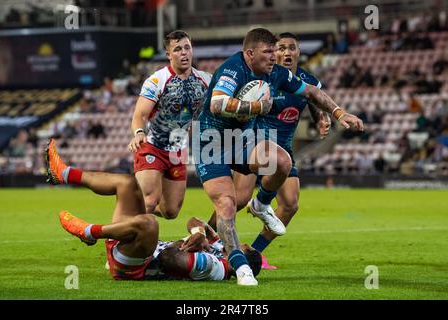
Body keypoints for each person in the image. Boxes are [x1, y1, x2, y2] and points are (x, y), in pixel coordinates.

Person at [195, 28, 363, 286]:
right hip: (212, 141)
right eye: (269, 51)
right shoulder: (233, 68)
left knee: (282, 162)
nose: (275, 56)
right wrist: (255, 107)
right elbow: (217, 103)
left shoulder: (277, 73)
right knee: (229, 204)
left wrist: (339, 114)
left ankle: (261, 205)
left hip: (243, 140)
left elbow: (311, 93)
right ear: (250, 53)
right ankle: (239, 266)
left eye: (277, 50)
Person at [45, 138, 261, 281]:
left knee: (150, 222)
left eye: (247, 247)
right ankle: (63, 173)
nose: (242, 242)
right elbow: (194, 221)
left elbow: (169, 258)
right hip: (132, 246)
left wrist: (188, 246)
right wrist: (199, 234)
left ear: (243, 259)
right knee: (127, 184)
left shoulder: (216, 268)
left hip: (135, 265)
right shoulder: (221, 247)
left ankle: (90, 232)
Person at [207, 32, 331, 269]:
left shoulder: (307, 81)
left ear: (298, 52)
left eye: (291, 48)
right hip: (255, 143)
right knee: (239, 198)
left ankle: (254, 253)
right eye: (280, 48)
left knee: (291, 204)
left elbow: (314, 101)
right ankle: (207, 236)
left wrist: (322, 118)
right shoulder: (265, 77)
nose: (285, 53)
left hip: (282, 148)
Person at [128, 30, 211, 220]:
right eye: (178, 49)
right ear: (168, 54)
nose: (184, 53)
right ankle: (117, 238)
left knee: (171, 211)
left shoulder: (206, 81)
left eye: (187, 48)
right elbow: (139, 114)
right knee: (149, 200)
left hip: (177, 151)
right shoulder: (157, 80)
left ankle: (130, 206)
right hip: (152, 146)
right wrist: (139, 132)